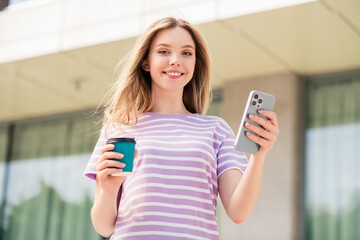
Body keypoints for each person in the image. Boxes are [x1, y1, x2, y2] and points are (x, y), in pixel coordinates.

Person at [84, 17, 279, 240]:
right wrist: (108, 191)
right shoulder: (120, 128)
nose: (176, 60)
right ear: (146, 62)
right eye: (164, 51)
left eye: (186, 53)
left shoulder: (215, 129)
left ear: (195, 64)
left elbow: (238, 212)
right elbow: (104, 227)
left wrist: (259, 155)